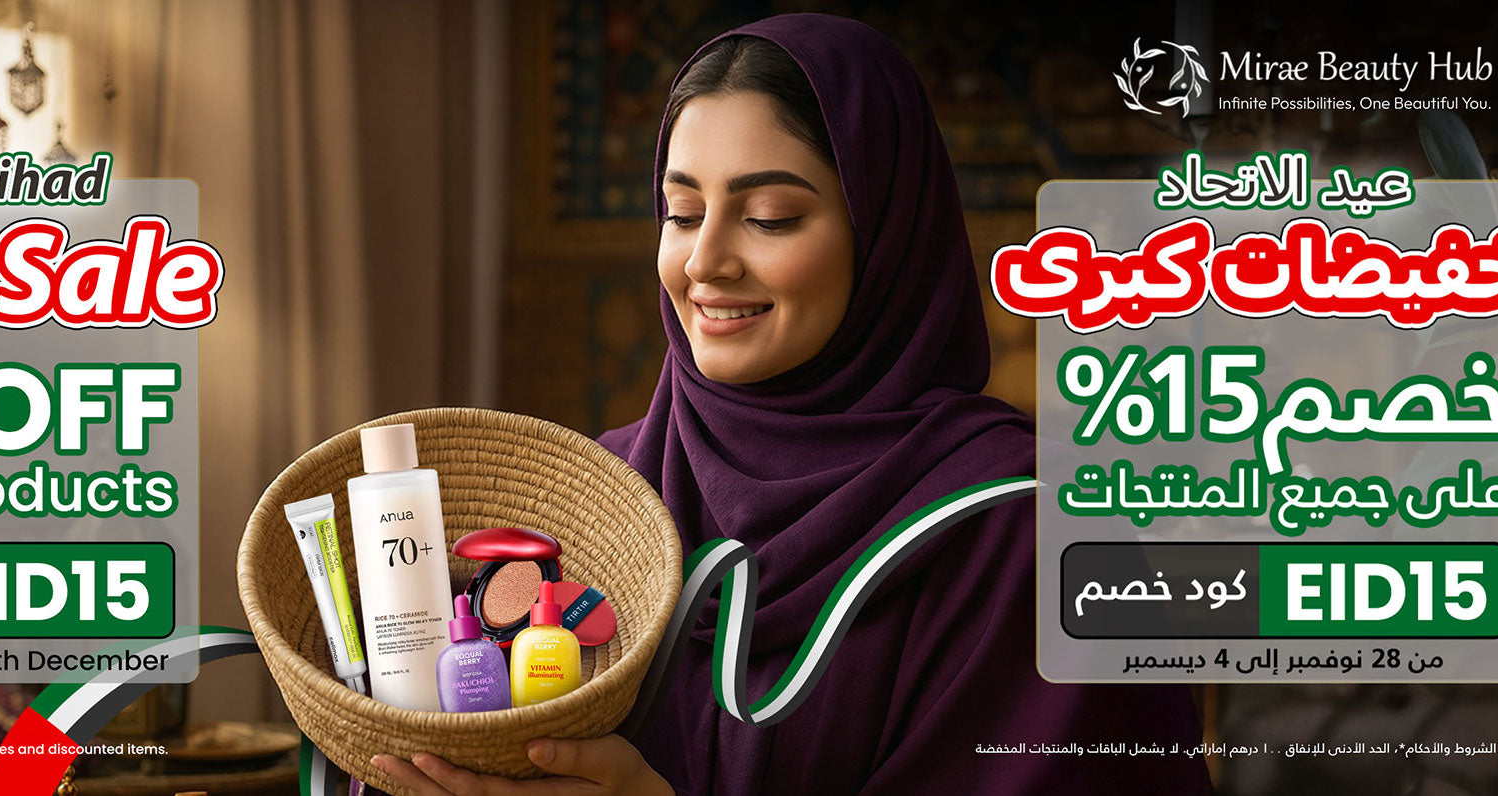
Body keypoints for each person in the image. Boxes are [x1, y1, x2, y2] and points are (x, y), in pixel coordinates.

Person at [373, 14, 1211, 795]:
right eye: (682, 211)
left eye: (770, 217)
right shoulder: (606, 494)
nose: (705, 261)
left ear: (883, 233)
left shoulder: (1025, 543)